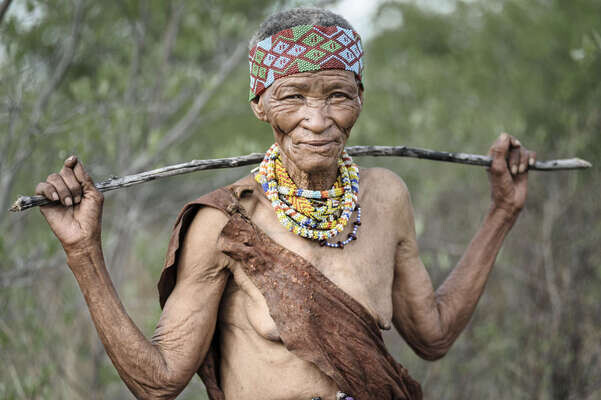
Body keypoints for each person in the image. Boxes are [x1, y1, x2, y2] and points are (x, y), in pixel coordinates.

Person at [35, 8, 536, 400]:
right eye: (293, 97)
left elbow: (434, 336)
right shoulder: (225, 222)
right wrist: (84, 253)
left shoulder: (385, 197)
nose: (318, 120)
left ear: (360, 97)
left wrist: (502, 213)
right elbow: (160, 381)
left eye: (337, 96)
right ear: (259, 104)